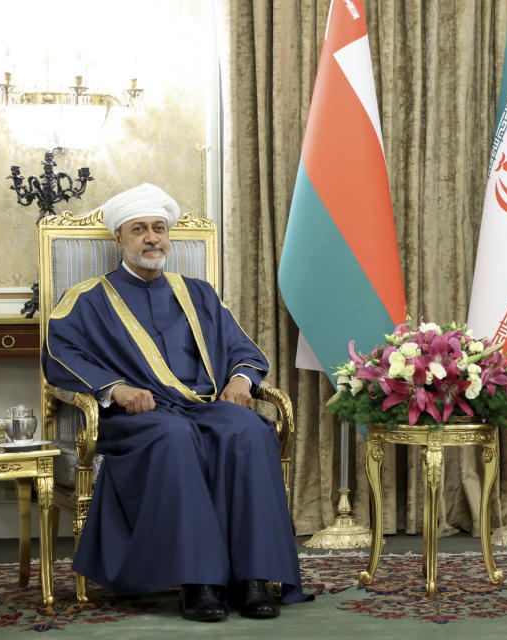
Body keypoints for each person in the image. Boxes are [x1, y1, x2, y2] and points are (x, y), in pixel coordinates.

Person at [42, 183, 308, 622]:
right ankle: (198, 581)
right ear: (119, 239)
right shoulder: (86, 300)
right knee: (174, 434)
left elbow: (243, 349)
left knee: (250, 430)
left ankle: (254, 578)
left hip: (203, 406)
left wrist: (240, 380)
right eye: (140, 229)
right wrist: (115, 389)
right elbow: (60, 356)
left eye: (159, 229)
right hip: (138, 417)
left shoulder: (198, 293)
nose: (152, 237)